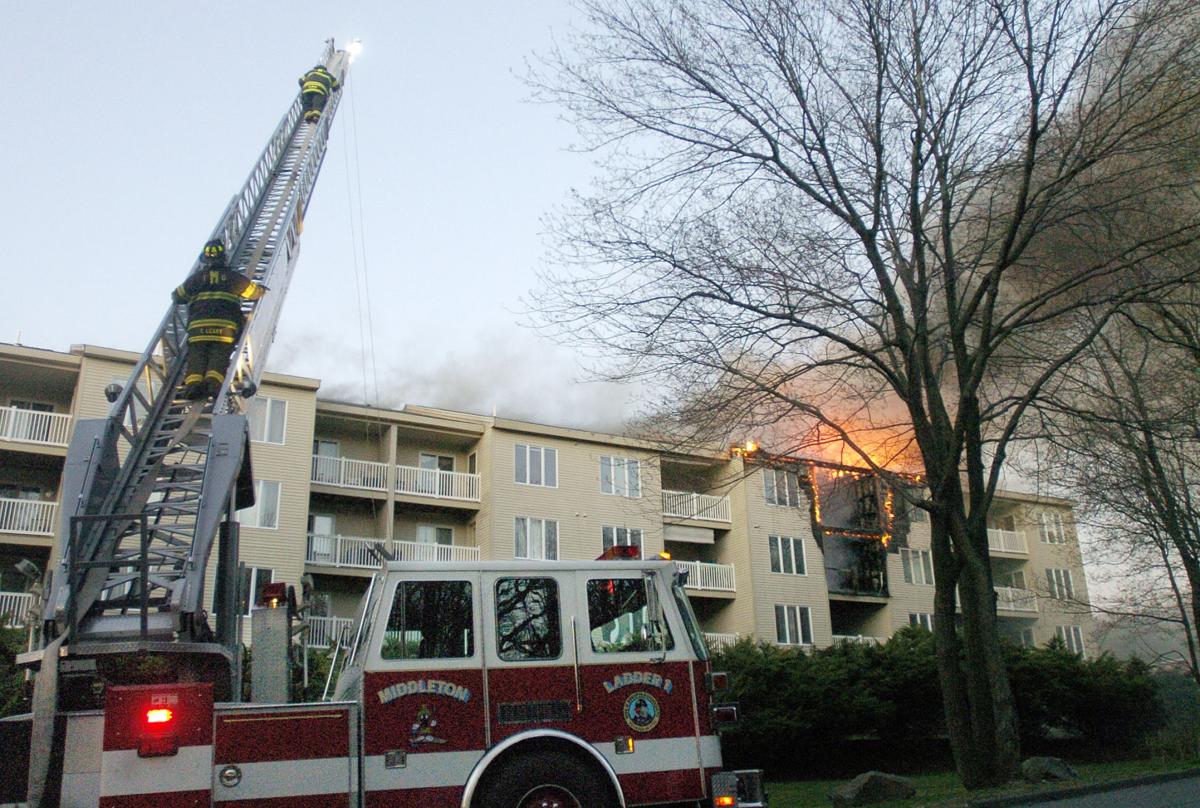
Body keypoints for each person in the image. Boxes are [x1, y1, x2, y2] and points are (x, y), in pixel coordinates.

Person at [172, 240, 265, 400]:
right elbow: (253, 293)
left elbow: (177, 296)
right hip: (224, 329)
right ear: (223, 258)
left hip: (198, 329)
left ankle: (193, 387)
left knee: (196, 358)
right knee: (218, 358)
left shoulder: (196, 279)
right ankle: (212, 385)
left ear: (205, 259)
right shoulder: (232, 278)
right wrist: (262, 290)